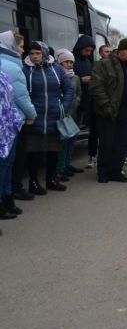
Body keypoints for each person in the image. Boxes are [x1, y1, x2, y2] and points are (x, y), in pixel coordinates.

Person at [90, 38, 127, 184]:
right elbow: (96, 86)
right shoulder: (104, 64)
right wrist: (106, 106)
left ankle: (116, 171)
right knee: (107, 143)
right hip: (109, 110)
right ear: (120, 50)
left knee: (122, 143)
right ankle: (103, 172)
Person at [23, 41, 73, 194]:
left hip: (54, 117)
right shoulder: (25, 70)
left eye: (37, 53)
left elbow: (68, 89)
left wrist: (63, 107)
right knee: (34, 152)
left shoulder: (57, 70)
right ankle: (33, 182)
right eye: (31, 53)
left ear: (44, 53)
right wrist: (29, 110)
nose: (34, 56)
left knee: (53, 150)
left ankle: (51, 179)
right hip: (34, 118)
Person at [0, 31, 35, 215]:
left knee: (7, 164)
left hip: (7, 122)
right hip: (8, 125)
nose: (23, 51)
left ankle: (6, 201)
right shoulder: (12, 67)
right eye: (21, 46)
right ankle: (5, 201)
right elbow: (20, 96)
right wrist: (31, 114)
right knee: (6, 164)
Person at [0, 61, 24, 222]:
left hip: (8, 129)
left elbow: (11, 101)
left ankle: (6, 197)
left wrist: (16, 122)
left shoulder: (3, 75)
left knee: (8, 165)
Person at [54, 49, 83, 181]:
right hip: (61, 114)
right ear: (60, 62)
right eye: (66, 62)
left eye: (71, 62)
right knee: (62, 143)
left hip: (73, 113)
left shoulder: (75, 77)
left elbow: (78, 94)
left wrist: (76, 102)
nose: (69, 64)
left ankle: (66, 164)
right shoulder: (56, 75)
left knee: (71, 140)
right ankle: (58, 169)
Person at [72, 35, 97, 169]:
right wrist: (81, 80)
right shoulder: (72, 60)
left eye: (90, 51)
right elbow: (68, 79)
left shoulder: (88, 62)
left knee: (74, 134)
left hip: (83, 102)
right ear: (80, 48)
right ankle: (63, 166)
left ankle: (67, 164)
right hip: (73, 103)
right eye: (86, 50)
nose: (88, 53)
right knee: (69, 135)